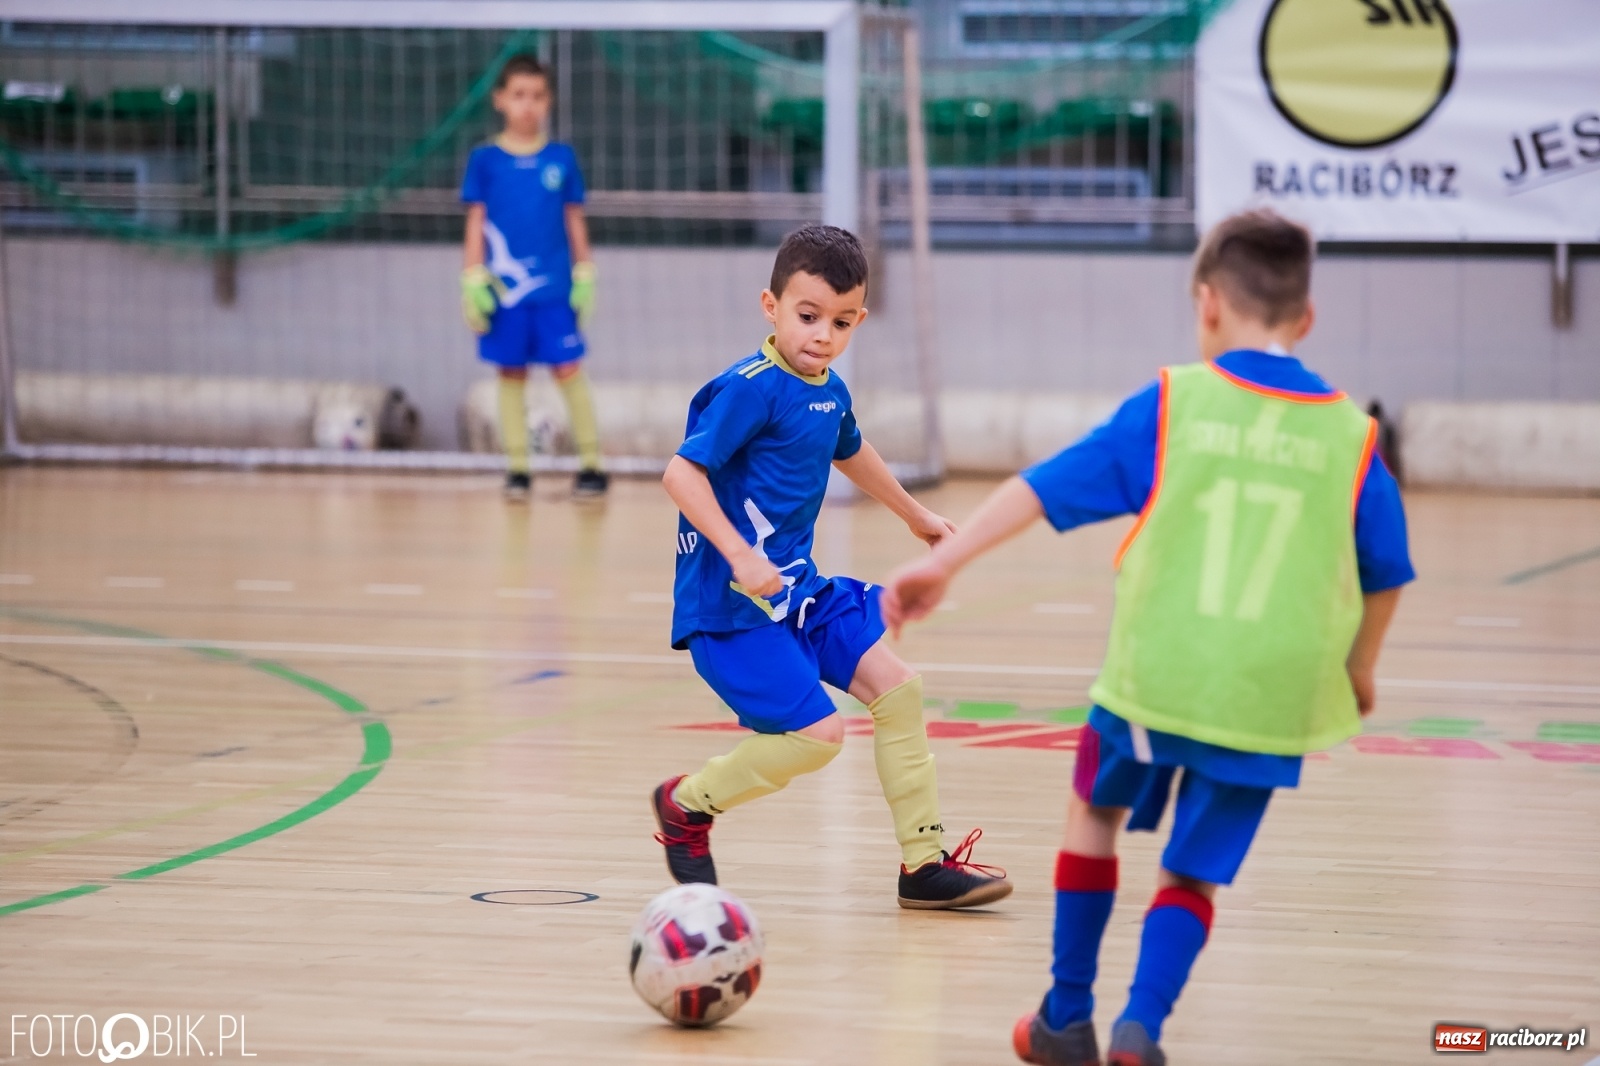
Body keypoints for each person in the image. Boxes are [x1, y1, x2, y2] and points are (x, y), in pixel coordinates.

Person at [882, 209, 1414, 1065]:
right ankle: (1142, 1029)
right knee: (1192, 873)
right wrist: (1360, 668)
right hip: (1272, 695)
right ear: (1306, 320)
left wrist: (948, 564)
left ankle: (1066, 1014)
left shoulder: (1176, 402)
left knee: (1094, 811)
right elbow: (1388, 572)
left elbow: (1044, 489)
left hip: (1159, 670)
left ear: (1206, 304)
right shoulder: (1354, 437)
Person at [650, 224, 1012, 911]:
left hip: (799, 595)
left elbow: (850, 446)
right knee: (818, 737)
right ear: (771, 306)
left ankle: (923, 867)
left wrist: (914, 514)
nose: (822, 335)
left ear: (859, 319)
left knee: (898, 690)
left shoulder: (828, 387)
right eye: (807, 316)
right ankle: (686, 806)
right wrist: (739, 555)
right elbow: (680, 474)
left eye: (841, 322)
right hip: (730, 610)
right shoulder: (749, 390)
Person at [459, 53, 607, 499]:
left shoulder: (561, 159)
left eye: (538, 96)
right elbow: (475, 222)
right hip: (504, 294)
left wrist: (585, 272)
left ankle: (591, 465)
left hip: (554, 291)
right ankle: (519, 469)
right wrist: (470, 279)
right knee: (510, 375)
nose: (529, 105)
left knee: (569, 370)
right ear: (500, 100)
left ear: (550, 101)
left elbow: (574, 219)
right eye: (519, 95)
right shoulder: (485, 161)